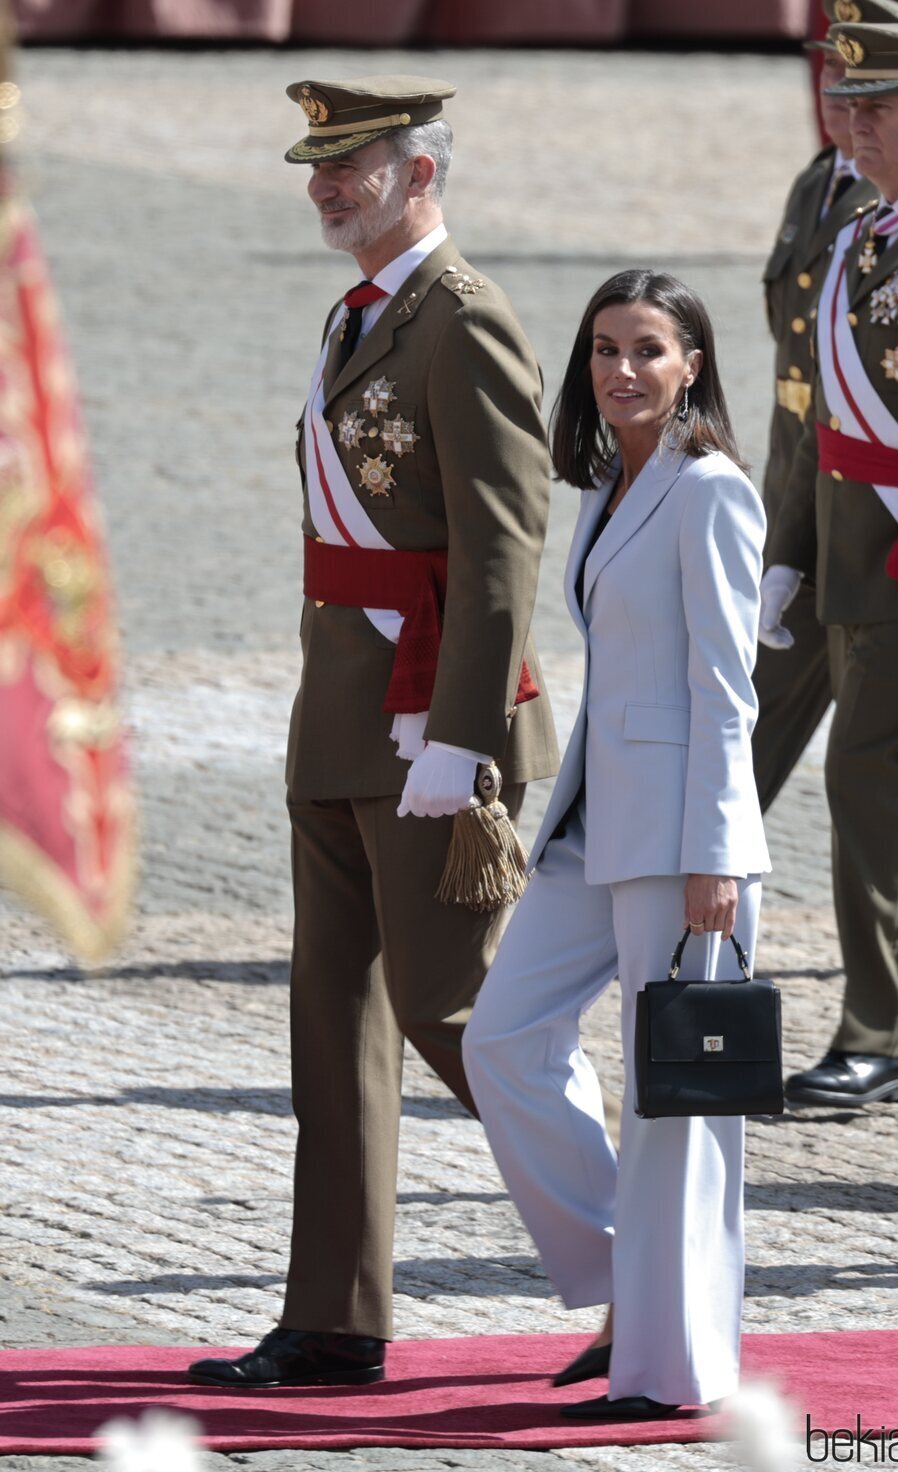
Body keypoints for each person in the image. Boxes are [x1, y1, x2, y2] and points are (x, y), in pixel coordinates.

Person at [189, 76, 558, 1389]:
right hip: (343, 719)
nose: (327, 187)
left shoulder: (460, 321)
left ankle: (649, 1250)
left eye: (356, 166)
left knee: (459, 1019)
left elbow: (506, 542)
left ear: (424, 173)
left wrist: (466, 739)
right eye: (319, 168)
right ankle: (336, 1315)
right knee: (332, 1026)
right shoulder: (361, 317)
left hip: (427, 734)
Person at [463, 270, 770, 1422]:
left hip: (682, 834)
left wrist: (717, 854)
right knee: (502, 1037)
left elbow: (726, 688)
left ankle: (666, 1365)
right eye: (603, 347)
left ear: (692, 362)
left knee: (675, 1098)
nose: (621, 370)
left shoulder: (709, 491)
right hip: (596, 818)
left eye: (648, 348)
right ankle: (619, 1273)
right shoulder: (604, 488)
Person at [763, 21, 898, 1108]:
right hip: (854, 555)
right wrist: (786, 556)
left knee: (870, 786)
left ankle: (876, 1027)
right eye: (845, 106)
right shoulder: (855, 228)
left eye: (876, 108)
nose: (850, 125)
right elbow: (820, 418)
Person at [753, 0, 898, 812]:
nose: (836, 94)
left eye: (859, 81)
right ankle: (683, 911)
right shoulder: (816, 182)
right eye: (828, 68)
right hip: (798, 494)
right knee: (743, 724)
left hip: (876, 523)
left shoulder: (897, 209)